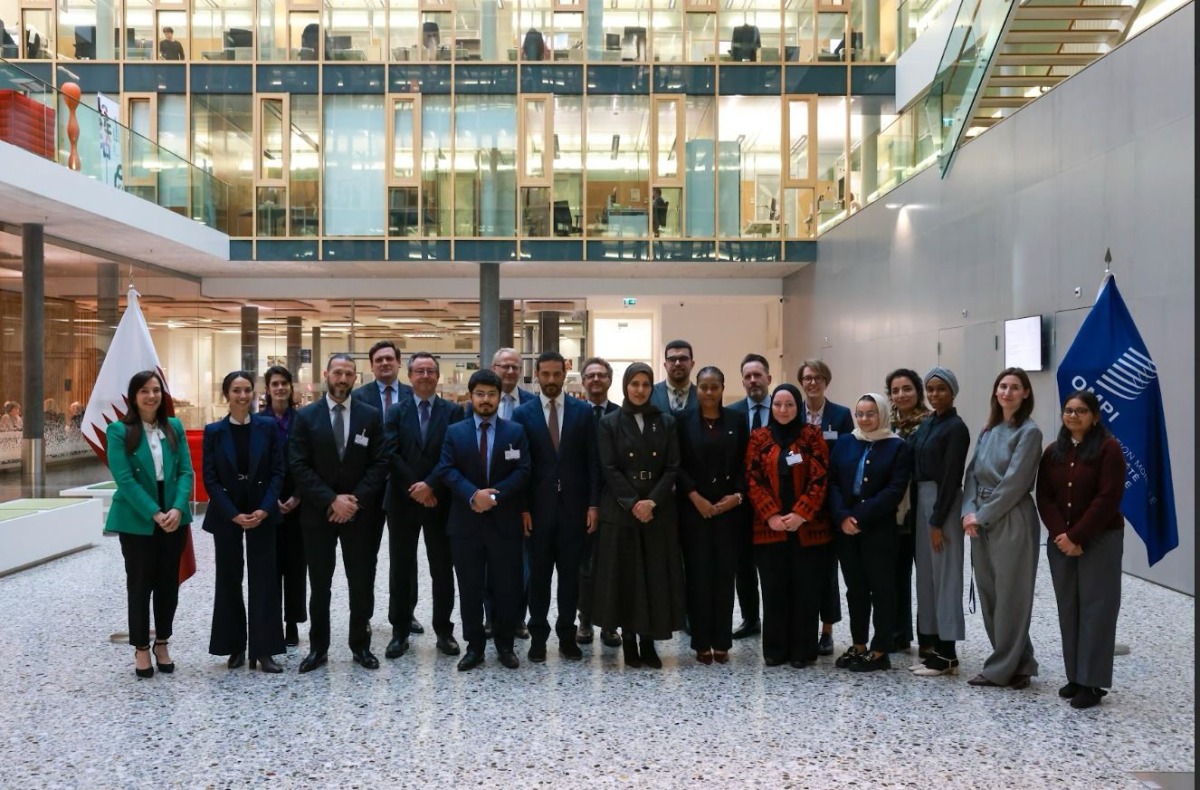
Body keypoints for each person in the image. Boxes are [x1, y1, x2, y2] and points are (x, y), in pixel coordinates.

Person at [289, 354, 390, 673]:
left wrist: (353, 501)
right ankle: (318, 648)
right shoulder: (306, 417)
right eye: (337, 373)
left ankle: (360, 645)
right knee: (320, 584)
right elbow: (299, 464)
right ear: (326, 374)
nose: (342, 379)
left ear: (355, 378)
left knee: (360, 582)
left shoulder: (370, 416)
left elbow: (380, 462)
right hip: (318, 515)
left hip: (359, 515)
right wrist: (331, 500)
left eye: (348, 374)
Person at [436, 369, 531, 672]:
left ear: (500, 397)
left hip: (504, 524)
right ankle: (474, 645)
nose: (486, 399)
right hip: (466, 524)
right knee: (470, 587)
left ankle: (505, 645)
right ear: (471, 396)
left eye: (492, 394)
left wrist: (494, 496)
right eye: (480, 394)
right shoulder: (456, 432)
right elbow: (446, 469)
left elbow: (524, 471)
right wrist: (472, 494)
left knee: (507, 587)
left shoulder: (514, 431)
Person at [1036, 390, 1126, 709]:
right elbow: (1044, 497)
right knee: (1069, 608)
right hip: (1061, 542)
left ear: (1095, 416)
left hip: (1100, 540)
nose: (1073, 416)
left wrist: (1077, 536)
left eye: (1081, 411)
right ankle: (1075, 676)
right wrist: (1061, 534)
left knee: (1096, 610)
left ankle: (1093, 682)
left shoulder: (1108, 449)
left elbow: (1107, 498)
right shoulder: (1053, 452)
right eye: (1069, 410)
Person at [592, 362, 685, 669]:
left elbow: (673, 466)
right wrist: (634, 502)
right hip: (622, 510)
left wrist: (652, 502)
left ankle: (649, 641)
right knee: (626, 577)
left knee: (654, 576)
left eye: (646, 384)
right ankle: (629, 640)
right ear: (626, 386)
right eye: (635, 384)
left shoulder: (666, 421)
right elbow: (608, 467)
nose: (641, 390)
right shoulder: (610, 422)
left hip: (657, 511)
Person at [103, 370, 194, 678]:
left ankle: (163, 642)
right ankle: (142, 648)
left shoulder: (174, 427)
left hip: (174, 516)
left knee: (168, 583)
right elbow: (125, 479)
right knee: (140, 584)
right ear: (134, 396)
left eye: (156, 390)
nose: (151, 396)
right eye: (144, 390)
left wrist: (178, 509)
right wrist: (155, 512)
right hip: (137, 517)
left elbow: (186, 473)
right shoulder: (118, 430)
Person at [513, 351, 601, 663]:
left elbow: (593, 462)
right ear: (536, 374)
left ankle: (567, 635)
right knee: (538, 577)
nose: (551, 380)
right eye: (545, 375)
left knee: (570, 577)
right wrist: (522, 508)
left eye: (556, 374)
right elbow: (520, 467)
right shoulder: (523, 415)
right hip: (537, 511)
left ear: (565, 374)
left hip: (574, 510)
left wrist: (593, 504)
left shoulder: (581, 411)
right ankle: (538, 636)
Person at [961, 367, 1043, 690]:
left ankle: (1000, 669)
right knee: (990, 594)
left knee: (1012, 596)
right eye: (1002, 386)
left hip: (1011, 518)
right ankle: (1021, 662)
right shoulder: (988, 429)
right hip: (979, 518)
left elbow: (1015, 483)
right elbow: (972, 475)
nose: (1007, 392)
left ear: (1025, 394)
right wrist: (969, 511)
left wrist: (982, 515)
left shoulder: (1029, 432)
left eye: (1014, 387)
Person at [382, 351, 464, 660]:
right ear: (410, 376)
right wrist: (416, 487)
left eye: (431, 371)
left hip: (440, 500)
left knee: (442, 568)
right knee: (401, 568)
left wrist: (431, 485)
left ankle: (444, 630)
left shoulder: (454, 412)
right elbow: (390, 453)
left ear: (438, 376)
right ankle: (400, 631)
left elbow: (453, 453)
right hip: (403, 501)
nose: (426, 376)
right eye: (420, 371)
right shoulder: (396, 412)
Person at [202, 371, 286, 673]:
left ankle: (265, 650)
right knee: (228, 579)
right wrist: (232, 513)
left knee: (264, 581)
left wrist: (264, 509)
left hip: (262, 513)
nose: (242, 396)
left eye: (247, 390)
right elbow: (209, 478)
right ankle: (234, 647)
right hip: (227, 515)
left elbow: (278, 472)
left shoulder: (268, 427)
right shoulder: (214, 431)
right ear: (227, 395)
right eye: (236, 390)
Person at [744, 383, 832, 668]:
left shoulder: (812, 436)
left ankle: (803, 651)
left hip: (807, 529)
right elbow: (752, 479)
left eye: (790, 405)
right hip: (769, 530)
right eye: (778, 405)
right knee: (773, 590)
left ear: (798, 407)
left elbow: (820, 477)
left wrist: (800, 514)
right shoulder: (759, 437)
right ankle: (775, 650)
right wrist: (771, 514)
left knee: (805, 591)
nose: (783, 410)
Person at [827, 393, 912, 672]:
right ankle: (859, 644)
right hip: (846, 530)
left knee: (882, 589)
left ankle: (880, 649)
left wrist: (859, 516)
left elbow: (894, 491)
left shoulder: (897, 447)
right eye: (860, 413)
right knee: (856, 589)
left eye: (871, 414)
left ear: (883, 414)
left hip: (879, 530)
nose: (864, 419)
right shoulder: (845, 443)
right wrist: (842, 517)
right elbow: (834, 484)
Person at [676, 366, 747, 664]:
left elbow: (747, 462)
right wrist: (695, 496)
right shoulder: (682, 421)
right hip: (695, 511)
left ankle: (722, 642)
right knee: (699, 577)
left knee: (723, 577)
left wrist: (737, 496)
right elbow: (676, 464)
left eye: (714, 386)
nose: (708, 392)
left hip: (729, 512)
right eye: (703, 387)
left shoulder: (737, 420)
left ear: (722, 388)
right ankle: (701, 642)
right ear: (697, 388)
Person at [908, 367, 970, 677]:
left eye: (941, 389)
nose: (934, 394)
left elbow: (950, 477)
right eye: (930, 389)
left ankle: (948, 652)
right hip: (922, 500)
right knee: (927, 580)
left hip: (941, 505)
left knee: (945, 577)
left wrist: (937, 521)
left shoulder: (956, 428)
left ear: (953, 392)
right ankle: (932, 646)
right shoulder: (928, 423)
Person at [352, 340, 416, 633]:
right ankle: (362, 615)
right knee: (365, 555)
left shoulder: (413, 393)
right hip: (370, 490)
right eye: (379, 360)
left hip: (404, 489)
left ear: (399, 363)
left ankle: (405, 613)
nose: (385, 364)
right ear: (371, 365)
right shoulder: (358, 397)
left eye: (390, 359)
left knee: (405, 557)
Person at [798, 359, 853, 656]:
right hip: (799, 503)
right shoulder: (794, 411)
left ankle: (827, 630)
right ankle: (802, 625)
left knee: (828, 571)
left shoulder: (841, 416)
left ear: (826, 381)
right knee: (804, 569)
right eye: (807, 378)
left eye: (818, 377)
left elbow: (845, 458)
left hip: (829, 502)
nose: (812, 383)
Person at [575, 357, 622, 650]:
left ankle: (610, 624)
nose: (595, 380)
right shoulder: (576, 415)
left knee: (612, 564)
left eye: (601, 375)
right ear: (583, 381)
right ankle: (584, 619)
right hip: (579, 504)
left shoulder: (621, 415)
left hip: (615, 502)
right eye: (590, 375)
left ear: (609, 380)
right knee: (585, 566)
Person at [727, 353, 771, 640]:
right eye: (748, 376)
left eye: (758, 374)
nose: (753, 380)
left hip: (776, 503)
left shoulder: (784, 407)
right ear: (742, 380)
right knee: (743, 565)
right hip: (742, 502)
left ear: (769, 377)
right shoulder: (732, 413)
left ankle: (779, 618)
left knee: (773, 565)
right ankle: (751, 619)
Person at [885, 368, 930, 653]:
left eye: (907, 389)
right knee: (895, 575)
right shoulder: (885, 425)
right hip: (894, 512)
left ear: (918, 391)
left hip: (922, 508)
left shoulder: (929, 423)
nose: (901, 395)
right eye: (896, 390)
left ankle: (929, 637)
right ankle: (898, 634)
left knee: (926, 577)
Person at [262, 365, 306, 647]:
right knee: (270, 566)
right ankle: (272, 621)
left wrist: (299, 495)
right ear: (267, 389)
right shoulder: (257, 421)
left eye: (284, 383)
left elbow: (314, 460)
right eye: (275, 384)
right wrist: (271, 500)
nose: (280, 388)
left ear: (291, 388)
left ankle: (292, 622)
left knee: (295, 566)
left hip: (300, 503)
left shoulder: (304, 420)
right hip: (268, 503)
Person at [650, 339, 698, 414]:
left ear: (692, 364)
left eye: (683, 359)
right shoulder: (651, 393)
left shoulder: (702, 395)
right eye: (672, 359)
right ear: (665, 365)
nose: (677, 363)